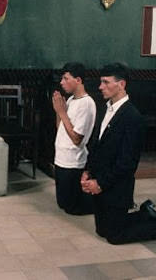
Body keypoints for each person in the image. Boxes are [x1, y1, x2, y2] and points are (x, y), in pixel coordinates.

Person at [81, 63, 156, 244]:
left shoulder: (133, 117)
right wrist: (87, 171)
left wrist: (101, 183)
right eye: (100, 82)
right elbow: (95, 145)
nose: (100, 86)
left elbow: (127, 163)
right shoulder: (104, 108)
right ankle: (145, 213)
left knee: (114, 237)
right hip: (101, 179)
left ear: (121, 84)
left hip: (117, 186)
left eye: (105, 82)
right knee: (102, 230)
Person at [53, 62, 96, 215]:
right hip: (61, 159)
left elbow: (77, 139)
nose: (61, 82)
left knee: (73, 209)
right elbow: (61, 128)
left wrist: (62, 113)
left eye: (65, 78)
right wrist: (59, 111)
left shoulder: (87, 103)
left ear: (78, 80)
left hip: (73, 162)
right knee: (63, 204)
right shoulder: (71, 100)